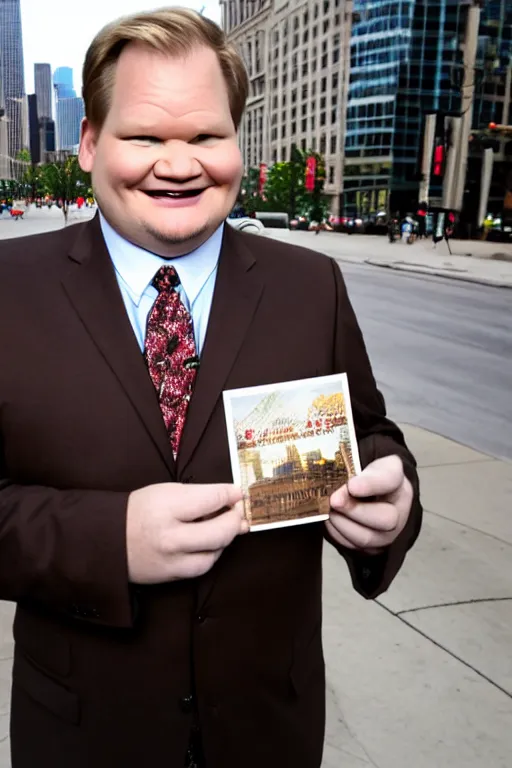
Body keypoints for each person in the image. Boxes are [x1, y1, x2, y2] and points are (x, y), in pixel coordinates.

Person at [0, 9, 422, 768]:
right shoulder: (9, 292)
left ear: (236, 141)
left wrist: (391, 506)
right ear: (91, 142)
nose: (178, 163)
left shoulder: (310, 286)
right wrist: (110, 540)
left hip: (269, 731)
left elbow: (370, 437)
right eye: (145, 137)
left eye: (205, 136)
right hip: (85, 736)